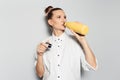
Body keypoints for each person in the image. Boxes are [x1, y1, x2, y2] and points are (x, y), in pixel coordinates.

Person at [35, 6, 98, 80]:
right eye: (59, 17)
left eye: (65, 17)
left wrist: (83, 40)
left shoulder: (77, 41)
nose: (64, 20)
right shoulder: (43, 44)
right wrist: (40, 55)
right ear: (50, 22)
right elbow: (40, 74)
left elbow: (93, 66)